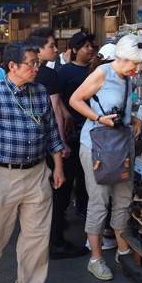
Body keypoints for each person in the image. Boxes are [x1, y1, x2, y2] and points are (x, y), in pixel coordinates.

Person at [0, 41, 65, 283]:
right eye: (32, 63)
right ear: (13, 66)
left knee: (36, 237)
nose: (37, 67)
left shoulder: (40, 91)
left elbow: (52, 134)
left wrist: (57, 166)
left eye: (38, 63)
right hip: (2, 176)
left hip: (37, 174)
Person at [68, 34, 142, 281]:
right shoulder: (103, 72)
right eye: (136, 63)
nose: (139, 68)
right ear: (123, 58)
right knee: (99, 201)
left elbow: (118, 110)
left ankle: (122, 251)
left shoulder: (127, 78)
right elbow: (75, 99)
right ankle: (96, 258)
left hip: (121, 145)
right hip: (96, 146)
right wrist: (98, 119)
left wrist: (135, 119)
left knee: (123, 198)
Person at [28, 28, 88, 260]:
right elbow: (54, 111)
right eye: (52, 46)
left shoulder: (20, 72)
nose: (56, 50)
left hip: (30, 146)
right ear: (39, 49)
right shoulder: (49, 75)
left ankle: (42, 239)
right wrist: (62, 144)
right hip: (48, 144)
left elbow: (56, 105)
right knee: (57, 192)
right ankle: (56, 242)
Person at [57, 31, 95, 223]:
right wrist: (66, 114)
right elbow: (55, 97)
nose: (90, 49)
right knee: (69, 173)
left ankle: (83, 206)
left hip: (93, 130)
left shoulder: (96, 70)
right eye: (85, 46)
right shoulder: (65, 71)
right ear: (74, 49)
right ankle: (61, 213)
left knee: (87, 173)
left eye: (91, 46)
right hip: (72, 131)